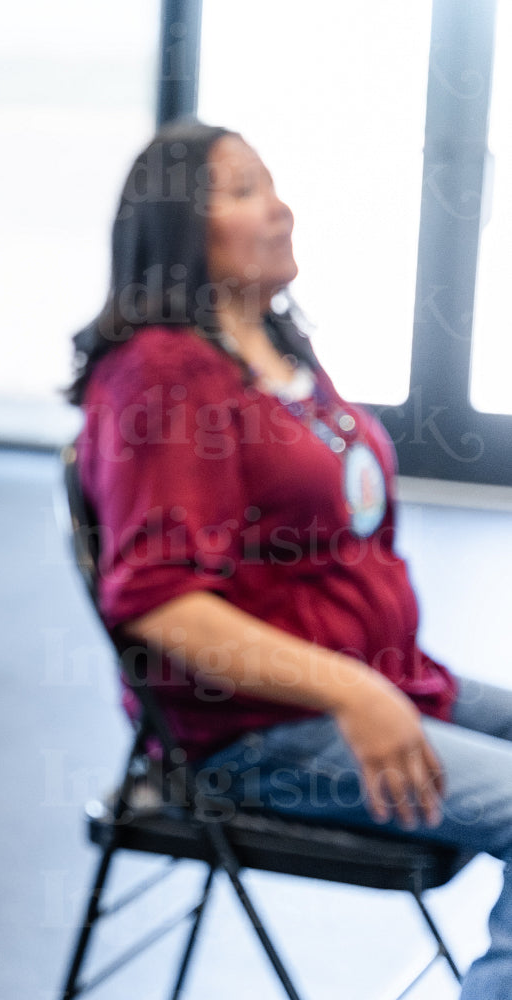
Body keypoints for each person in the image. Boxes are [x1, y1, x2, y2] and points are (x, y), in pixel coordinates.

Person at [70, 119, 512, 999]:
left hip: (391, 680)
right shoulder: (162, 375)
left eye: (271, 186)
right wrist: (355, 690)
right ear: (178, 231)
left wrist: (378, 683)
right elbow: (159, 605)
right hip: (259, 734)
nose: (281, 211)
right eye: (244, 192)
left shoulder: (278, 349)